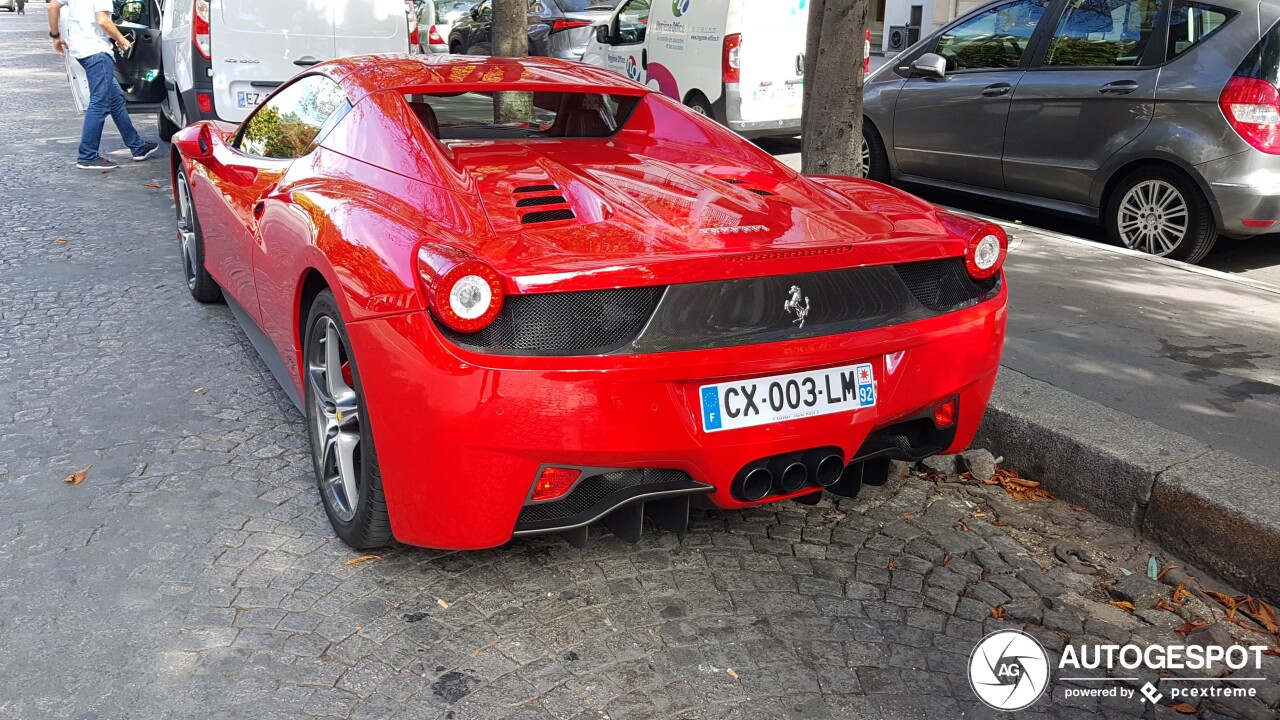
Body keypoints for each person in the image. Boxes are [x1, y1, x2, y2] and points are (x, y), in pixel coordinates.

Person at [48, 0, 158, 170]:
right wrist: (122, 40)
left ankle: (138, 147)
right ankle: (87, 156)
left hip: (81, 50)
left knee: (115, 100)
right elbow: (103, 20)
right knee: (100, 102)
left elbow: (53, 7)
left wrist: (55, 37)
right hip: (96, 51)